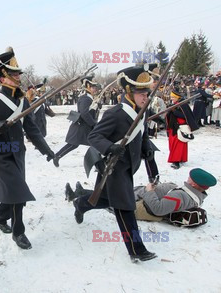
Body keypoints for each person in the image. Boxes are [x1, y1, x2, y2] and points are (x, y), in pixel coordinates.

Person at [72, 65, 157, 262]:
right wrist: (110, 147)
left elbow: (141, 135)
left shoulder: (142, 111)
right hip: (113, 166)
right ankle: (137, 249)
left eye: (147, 93)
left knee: (106, 199)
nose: (146, 97)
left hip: (129, 166)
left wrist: (146, 148)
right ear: (129, 92)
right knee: (125, 206)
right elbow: (95, 136)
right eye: (141, 93)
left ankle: (81, 204)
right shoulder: (116, 113)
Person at [0, 47, 55, 249]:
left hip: (18, 153)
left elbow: (32, 129)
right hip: (1, 153)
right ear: (3, 78)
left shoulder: (22, 100)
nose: (18, 76)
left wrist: (46, 150)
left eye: (18, 73)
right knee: (18, 193)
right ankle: (18, 232)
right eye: (14, 74)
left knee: (13, 192)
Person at [66, 168, 217, 222]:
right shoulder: (191, 192)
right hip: (139, 196)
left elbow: (158, 209)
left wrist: (150, 191)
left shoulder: (182, 196)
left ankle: (80, 202)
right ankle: (80, 194)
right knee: (110, 194)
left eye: (191, 178)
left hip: (138, 205)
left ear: (195, 185)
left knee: (109, 199)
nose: (188, 178)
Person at [52, 75, 99, 167]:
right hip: (82, 127)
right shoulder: (85, 98)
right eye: (93, 87)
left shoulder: (89, 97)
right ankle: (57, 156)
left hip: (85, 126)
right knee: (74, 145)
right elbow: (84, 113)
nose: (95, 89)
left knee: (95, 144)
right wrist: (94, 124)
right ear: (88, 87)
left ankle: (98, 164)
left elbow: (90, 111)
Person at [166, 90, 199, 169]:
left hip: (180, 127)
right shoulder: (174, 104)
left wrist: (174, 111)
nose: (172, 98)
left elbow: (185, 116)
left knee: (179, 145)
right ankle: (178, 158)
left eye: (173, 97)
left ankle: (176, 161)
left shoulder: (183, 105)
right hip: (173, 127)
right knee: (173, 144)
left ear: (177, 97)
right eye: (171, 97)